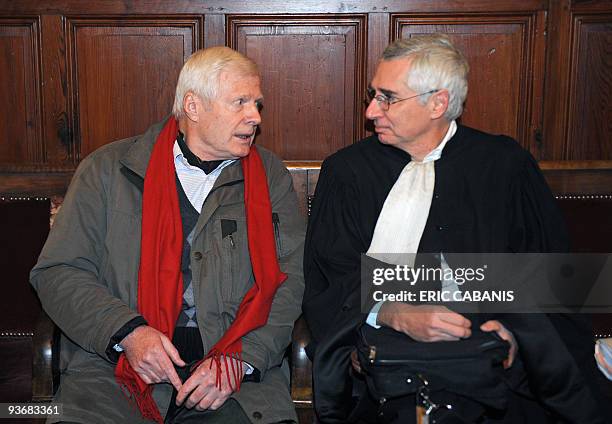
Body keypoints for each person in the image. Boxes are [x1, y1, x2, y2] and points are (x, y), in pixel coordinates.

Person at [303, 35, 609, 423]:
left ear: (438, 103)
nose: (370, 111)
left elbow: (553, 275)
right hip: (387, 367)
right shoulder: (347, 173)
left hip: (498, 369)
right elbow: (328, 279)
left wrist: (517, 335)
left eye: (387, 97)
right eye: (373, 95)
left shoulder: (504, 166)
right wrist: (390, 312)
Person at [30, 46, 305, 424]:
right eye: (240, 102)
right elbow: (58, 272)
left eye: (256, 103)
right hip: (113, 376)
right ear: (192, 107)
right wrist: (128, 333)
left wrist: (242, 360)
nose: (255, 116)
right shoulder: (108, 170)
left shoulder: (269, 176)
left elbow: (290, 282)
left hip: (232, 380)